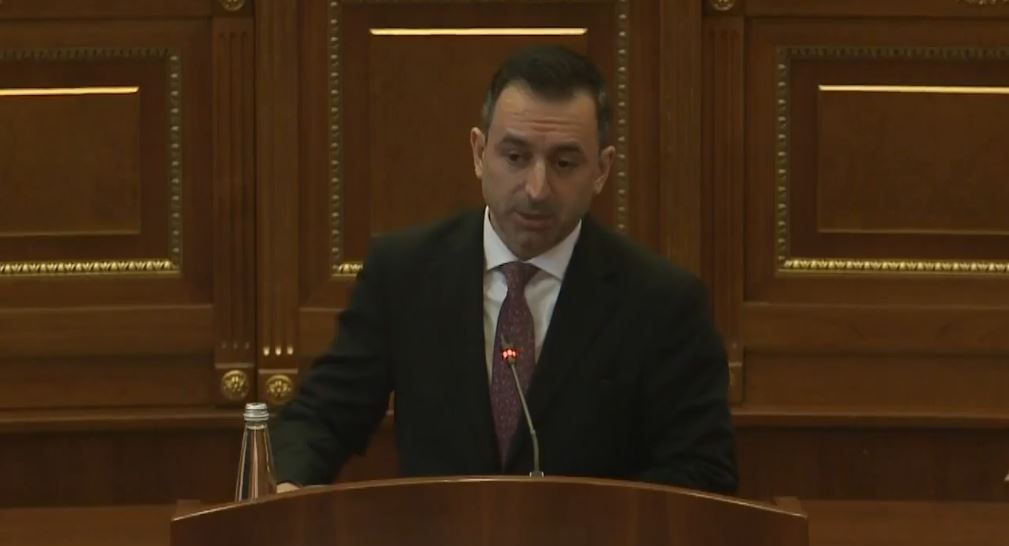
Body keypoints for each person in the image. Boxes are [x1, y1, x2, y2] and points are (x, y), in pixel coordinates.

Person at [270, 45, 737, 494]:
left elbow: (701, 469)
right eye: (515, 157)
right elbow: (322, 417)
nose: (537, 189)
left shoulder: (662, 303)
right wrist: (289, 481)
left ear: (601, 169)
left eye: (564, 162)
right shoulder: (404, 273)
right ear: (479, 152)